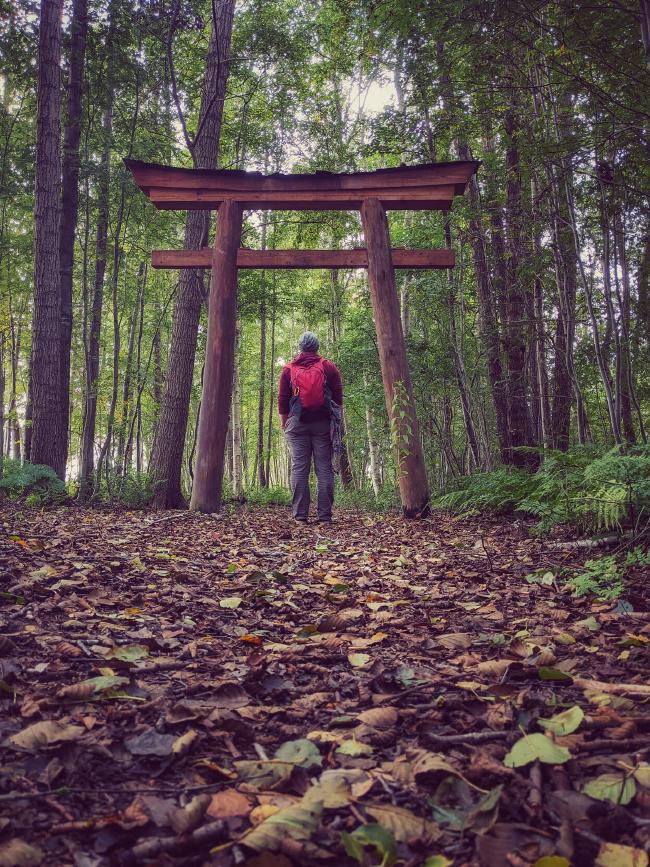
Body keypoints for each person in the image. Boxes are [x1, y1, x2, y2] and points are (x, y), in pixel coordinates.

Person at [278, 332, 343, 523]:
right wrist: (335, 419)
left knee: (299, 469)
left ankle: (300, 516)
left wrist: (285, 421)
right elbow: (338, 397)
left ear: (300, 347)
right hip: (323, 423)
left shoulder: (289, 369)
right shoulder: (328, 367)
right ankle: (324, 517)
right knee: (324, 469)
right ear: (317, 347)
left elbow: (282, 400)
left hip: (297, 423)